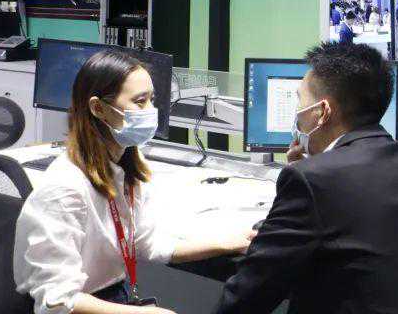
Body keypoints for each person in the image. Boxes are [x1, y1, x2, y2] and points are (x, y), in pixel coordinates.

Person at [14, 50, 252, 314]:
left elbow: (144, 242)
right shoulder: (63, 189)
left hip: (115, 294)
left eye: (152, 99)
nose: (151, 111)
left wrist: (226, 243)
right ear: (98, 108)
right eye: (140, 101)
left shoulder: (126, 162)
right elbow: (56, 302)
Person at [212, 43, 398, 314]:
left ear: (322, 112)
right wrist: (311, 170)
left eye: (300, 100)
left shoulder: (312, 179)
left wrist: (305, 178)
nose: (298, 110)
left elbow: (248, 297)